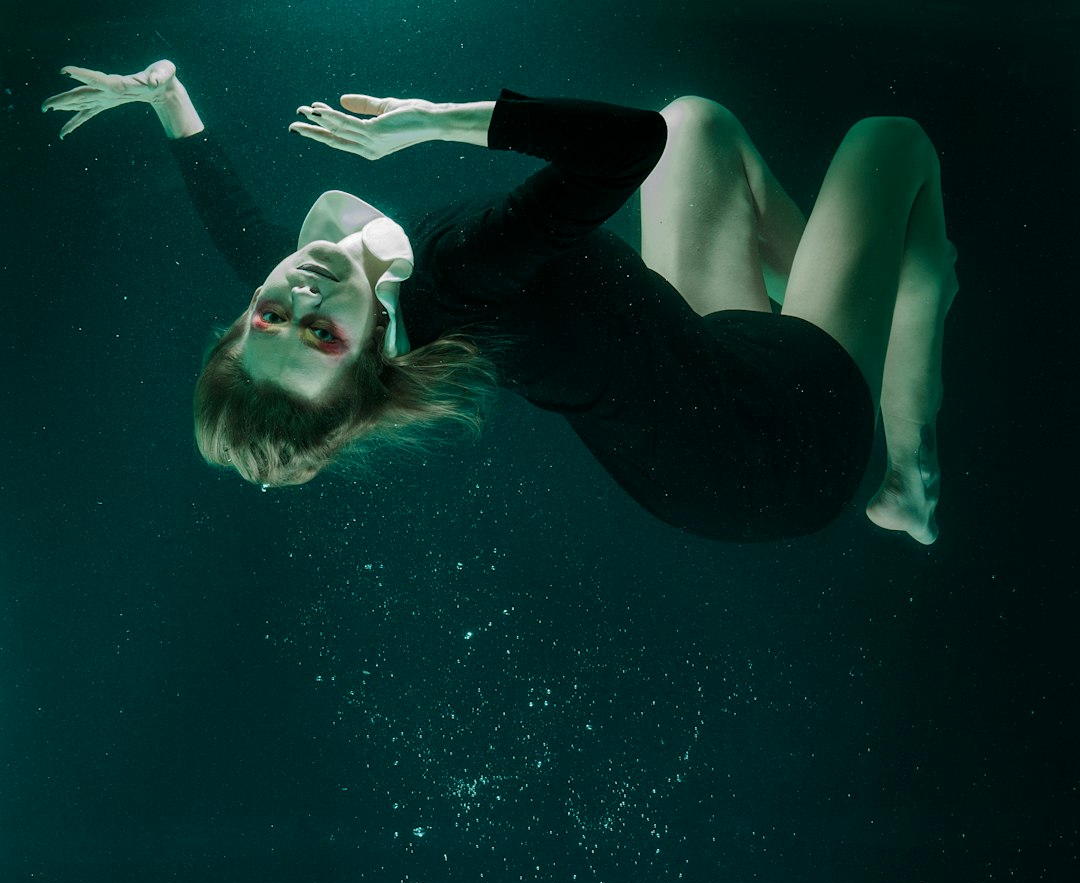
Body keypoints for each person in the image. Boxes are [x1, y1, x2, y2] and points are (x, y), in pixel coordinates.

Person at [42, 60, 957, 543]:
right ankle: (904, 466)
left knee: (699, 124)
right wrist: (435, 118)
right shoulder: (453, 271)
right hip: (784, 447)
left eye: (267, 316)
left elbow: (245, 239)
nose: (295, 291)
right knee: (893, 140)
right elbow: (623, 148)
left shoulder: (348, 298)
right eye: (315, 330)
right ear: (365, 355)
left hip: (698, 387)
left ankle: (838, 292)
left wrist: (169, 103)